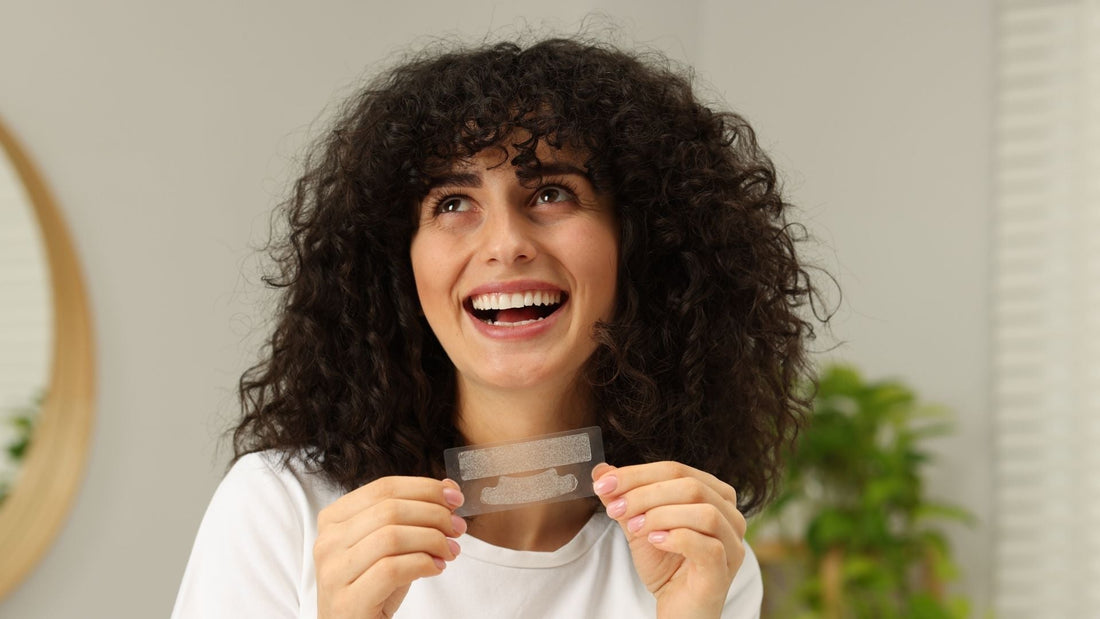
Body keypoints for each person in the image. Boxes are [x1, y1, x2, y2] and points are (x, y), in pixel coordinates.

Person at [172, 35, 820, 619]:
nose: (505, 243)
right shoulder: (281, 509)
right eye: (454, 203)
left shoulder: (691, 551)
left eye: (551, 193)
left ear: (643, 241)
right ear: (398, 262)